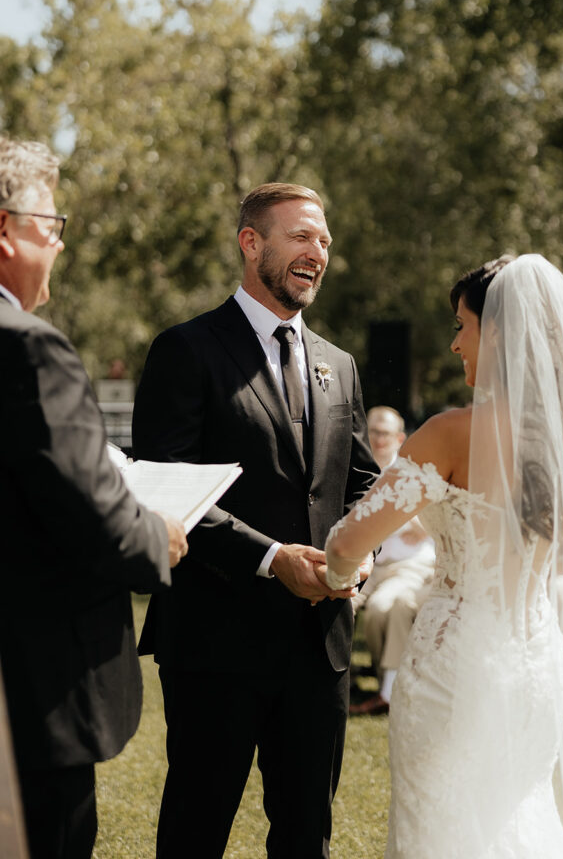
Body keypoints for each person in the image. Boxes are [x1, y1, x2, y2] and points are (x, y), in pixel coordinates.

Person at [324, 254, 563, 857]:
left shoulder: (450, 432)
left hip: (454, 664)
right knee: (522, 815)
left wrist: (338, 573)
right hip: (537, 666)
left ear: (500, 333)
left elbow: (349, 540)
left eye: (463, 325)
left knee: (440, 822)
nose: (456, 342)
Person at [132, 182, 379, 859]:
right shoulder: (186, 350)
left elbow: (361, 484)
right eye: (300, 237)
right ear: (251, 243)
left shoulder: (339, 365)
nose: (317, 253)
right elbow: (165, 489)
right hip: (216, 640)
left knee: (307, 837)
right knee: (195, 830)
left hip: (319, 645)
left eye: (324, 241)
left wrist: (360, 557)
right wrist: (274, 560)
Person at [0, 135, 188, 859]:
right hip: (31, 688)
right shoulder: (28, 349)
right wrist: (158, 536)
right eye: (52, 225)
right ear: (7, 229)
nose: (59, 245)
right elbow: (93, 520)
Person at [350, 406, 434, 716]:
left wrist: (412, 520)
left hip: (406, 565)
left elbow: (433, 525)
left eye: (384, 433)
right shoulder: (357, 466)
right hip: (366, 564)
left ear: (399, 437)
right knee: (342, 603)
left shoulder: (412, 470)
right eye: (373, 431)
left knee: (381, 609)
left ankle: (388, 686)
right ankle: (347, 678)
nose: (378, 439)